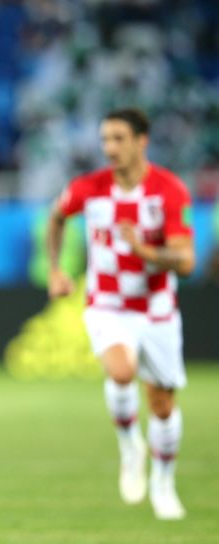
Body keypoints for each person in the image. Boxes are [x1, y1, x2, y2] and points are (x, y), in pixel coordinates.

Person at [47, 108, 195, 520]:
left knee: (163, 404)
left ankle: (163, 483)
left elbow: (185, 261)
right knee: (121, 370)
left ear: (141, 141)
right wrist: (57, 269)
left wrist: (147, 251)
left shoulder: (169, 191)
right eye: (105, 140)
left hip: (157, 310)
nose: (109, 148)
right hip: (107, 305)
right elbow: (56, 217)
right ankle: (131, 445)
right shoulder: (88, 188)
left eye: (118, 139)